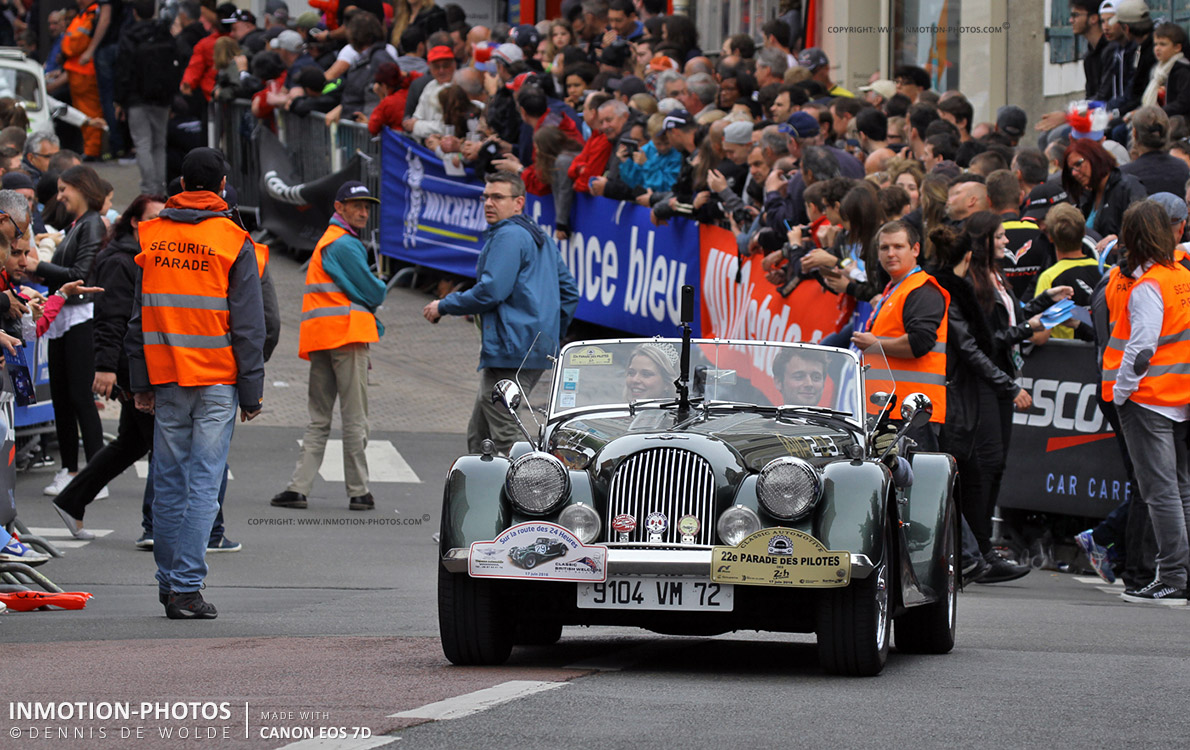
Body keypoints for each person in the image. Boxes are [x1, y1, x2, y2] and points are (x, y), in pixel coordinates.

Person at [125, 147, 265, 619]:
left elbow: (138, 317)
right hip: (217, 381)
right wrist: (252, 390)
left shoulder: (154, 235)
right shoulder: (232, 239)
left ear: (182, 185)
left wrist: (140, 380)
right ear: (223, 186)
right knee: (204, 485)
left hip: (167, 379)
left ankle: (169, 584)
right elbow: (249, 324)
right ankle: (185, 588)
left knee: (167, 483)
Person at [421, 171, 578, 454]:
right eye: (486, 196)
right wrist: (549, 332)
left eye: (497, 197)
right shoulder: (538, 235)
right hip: (532, 348)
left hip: (512, 348)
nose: (488, 203)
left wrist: (443, 305)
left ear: (519, 202)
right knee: (481, 435)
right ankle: (481, 493)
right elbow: (570, 293)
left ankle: (532, 488)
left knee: (505, 439)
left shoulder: (508, 235)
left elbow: (491, 291)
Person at [271, 182, 385, 512]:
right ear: (340, 208)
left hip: (321, 337)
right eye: (356, 206)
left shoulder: (329, 241)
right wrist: (378, 284)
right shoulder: (345, 244)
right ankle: (359, 491)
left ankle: (298, 488)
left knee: (318, 418)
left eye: (366, 206)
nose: (363, 212)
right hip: (347, 337)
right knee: (354, 417)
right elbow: (373, 293)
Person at [929, 223, 1033, 584]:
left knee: (975, 471)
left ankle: (977, 555)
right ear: (973, 251)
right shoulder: (948, 289)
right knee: (966, 473)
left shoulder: (970, 284)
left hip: (965, 388)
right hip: (952, 392)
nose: (1007, 241)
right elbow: (971, 346)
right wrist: (1006, 383)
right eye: (1000, 235)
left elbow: (983, 339)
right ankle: (974, 556)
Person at [1104, 200, 1190, 604]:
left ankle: (1173, 573)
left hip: (1148, 398)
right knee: (1180, 489)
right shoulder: (1181, 276)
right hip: (1179, 396)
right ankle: (1180, 571)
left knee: (1159, 491)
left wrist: (1122, 393)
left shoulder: (1149, 285)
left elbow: (1140, 348)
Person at [23, 166, 107, 496]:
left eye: (63, 189)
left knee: (79, 397)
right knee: (62, 398)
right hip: (63, 317)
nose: (59, 197)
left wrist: (37, 267)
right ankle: (70, 470)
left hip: (80, 317)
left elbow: (80, 273)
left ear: (81, 188)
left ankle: (94, 477)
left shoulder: (92, 225)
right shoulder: (77, 225)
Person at [850, 219, 949, 452]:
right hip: (892, 410)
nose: (890, 253)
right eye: (884, 248)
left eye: (898, 246)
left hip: (913, 413)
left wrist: (875, 344)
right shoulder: (895, 289)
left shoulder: (921, 289)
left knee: (913, 485)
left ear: (915, 249)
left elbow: (920, 343)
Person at [116, 0, 183, 197]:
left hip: (137, 98)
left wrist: (120, 99)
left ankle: (148, 189)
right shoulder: (164, 34)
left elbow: (123, 69)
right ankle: (159, 188)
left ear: (135, 13)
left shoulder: (130, 35)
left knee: (143, 143)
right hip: (161, 98)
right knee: (159, 144)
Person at [1062, 138, 1145, 239]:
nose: (1074, 173)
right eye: (1071, 169)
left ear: (1095, 157)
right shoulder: (1087, 196)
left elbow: (1142, 232)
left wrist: (1118, 243)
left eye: (1078, 164)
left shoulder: (1128, 186)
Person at [60, 0, 105, 160]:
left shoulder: (92, 14)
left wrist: (67, 49)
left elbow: (74, 43)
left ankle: (93, 150)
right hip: (77, 69)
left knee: (90, 111)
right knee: (83, 111)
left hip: (84, 70)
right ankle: (89, 148)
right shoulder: (85, 14)